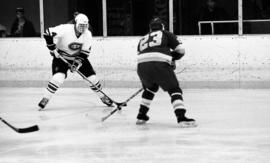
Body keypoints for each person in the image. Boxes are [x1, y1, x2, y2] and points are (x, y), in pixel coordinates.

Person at [38, 13, 113, 110]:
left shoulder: (88, 34)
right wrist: (52, 48)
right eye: (81, 25)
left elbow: (85, 53)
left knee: (93, 79)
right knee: (58, 78)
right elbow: (47, 33)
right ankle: (45, 98)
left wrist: (77, 63)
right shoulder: (65, 29)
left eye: (85, 26)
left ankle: (103, 96)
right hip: (61, 57)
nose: (83, 28)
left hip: (77, 57)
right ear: (76, 23)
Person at [135, 17, 197, 127]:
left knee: (150, 89)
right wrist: (171, 58)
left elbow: (144, 53)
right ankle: (181, 117)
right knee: (174, 90)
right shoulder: (166, 34)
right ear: (163, 27)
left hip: (141, 66)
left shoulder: (143, 38)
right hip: (159, 64)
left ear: (150, 28)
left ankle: (141, 116)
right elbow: (181, 51)